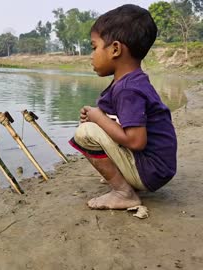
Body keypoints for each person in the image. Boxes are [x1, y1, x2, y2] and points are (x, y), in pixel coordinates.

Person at [69, 4, 177, 210]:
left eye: (94, 47)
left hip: (151, 171)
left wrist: (98, 118)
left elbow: (136, 141)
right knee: (95, 126)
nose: (91, 55)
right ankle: (124, 178)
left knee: (84, 133)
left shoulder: (128, 90)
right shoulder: (131, 82)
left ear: (116, 49)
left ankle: (123, 192)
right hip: (156, 169)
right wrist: (98, 116)